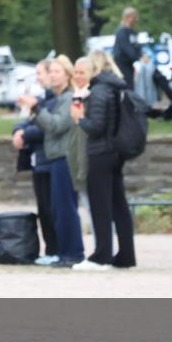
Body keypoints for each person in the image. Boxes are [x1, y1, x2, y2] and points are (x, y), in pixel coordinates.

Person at [69, 50, 136, 270]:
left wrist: (80, 119)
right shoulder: (117, 87)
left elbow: (96, 127)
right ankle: (126, 255)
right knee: (119, 205)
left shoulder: (99, 90)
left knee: (101, 206)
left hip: (100, 152)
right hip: (116, 152)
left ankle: (102, 255)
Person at [14, 55, 85, 267]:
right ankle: (65, 252)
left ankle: (73, 252)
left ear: (67, 75)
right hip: (56, 157)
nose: (52, 75)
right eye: (51, 71)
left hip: (65, 157)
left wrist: (36, 109)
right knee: (58, 208)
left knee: (65, 208)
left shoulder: (68, 98)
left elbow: (55, 125)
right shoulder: (57, 98)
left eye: (57, 72)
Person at [11, 59, 58, 261]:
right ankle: (51, 249)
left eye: (40, 73)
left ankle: (56, 249)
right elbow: (27, 120)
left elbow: (46, 126)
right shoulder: (43, 99)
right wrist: (18, 130)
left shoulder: (54, 100)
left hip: (50, 159)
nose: (38, 77)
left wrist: (25, 135)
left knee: (51, 207)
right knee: (43, 208)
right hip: (38, 160)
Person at [69, 57, 92, 234]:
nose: (78, 76)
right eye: (76, 72)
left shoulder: (91, 97)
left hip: (89, 159)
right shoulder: (75, 95)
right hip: (76, 158)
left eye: (82, 72)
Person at [112, 7, 141, 88]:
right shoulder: (122, 31)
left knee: (130, 84)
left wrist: (140, 55)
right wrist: (138, 57)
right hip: (121, 64)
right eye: (134, 17)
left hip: (129, 64)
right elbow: (126, 48)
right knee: (126, 85)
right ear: (128, 17)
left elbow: (137, 46)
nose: (136, 20)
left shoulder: (133, 32)